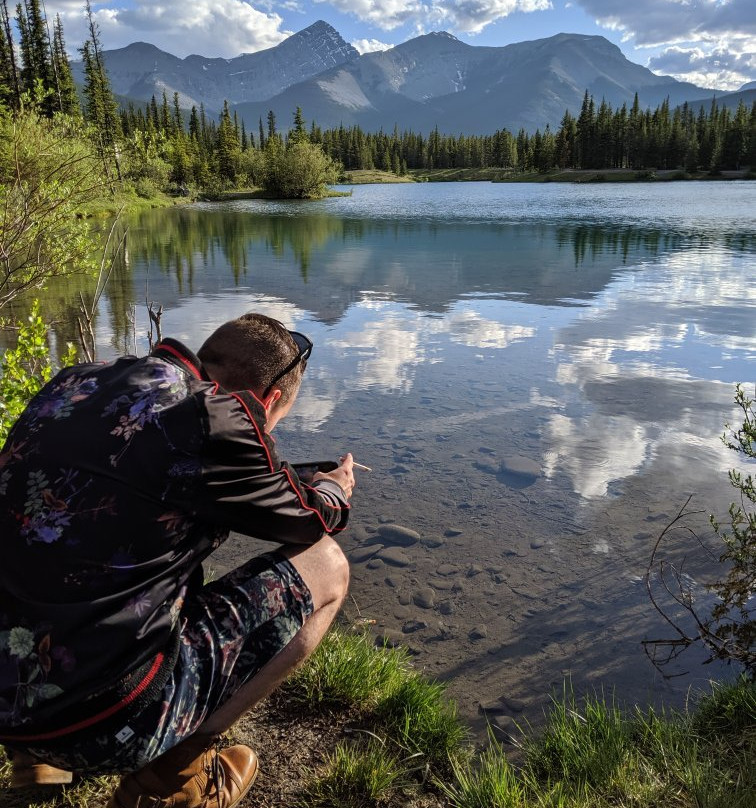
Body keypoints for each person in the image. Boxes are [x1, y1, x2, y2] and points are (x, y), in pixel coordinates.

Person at [0, 313, 355, 808]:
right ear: (269, 401)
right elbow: (309, 520)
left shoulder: (76, 380)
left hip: (6, 699)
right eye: (273, 422)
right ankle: (171, 780)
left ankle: (36, 763)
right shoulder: (214, 418)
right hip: (98, 721)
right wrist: (334, 487)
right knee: (329, 566)